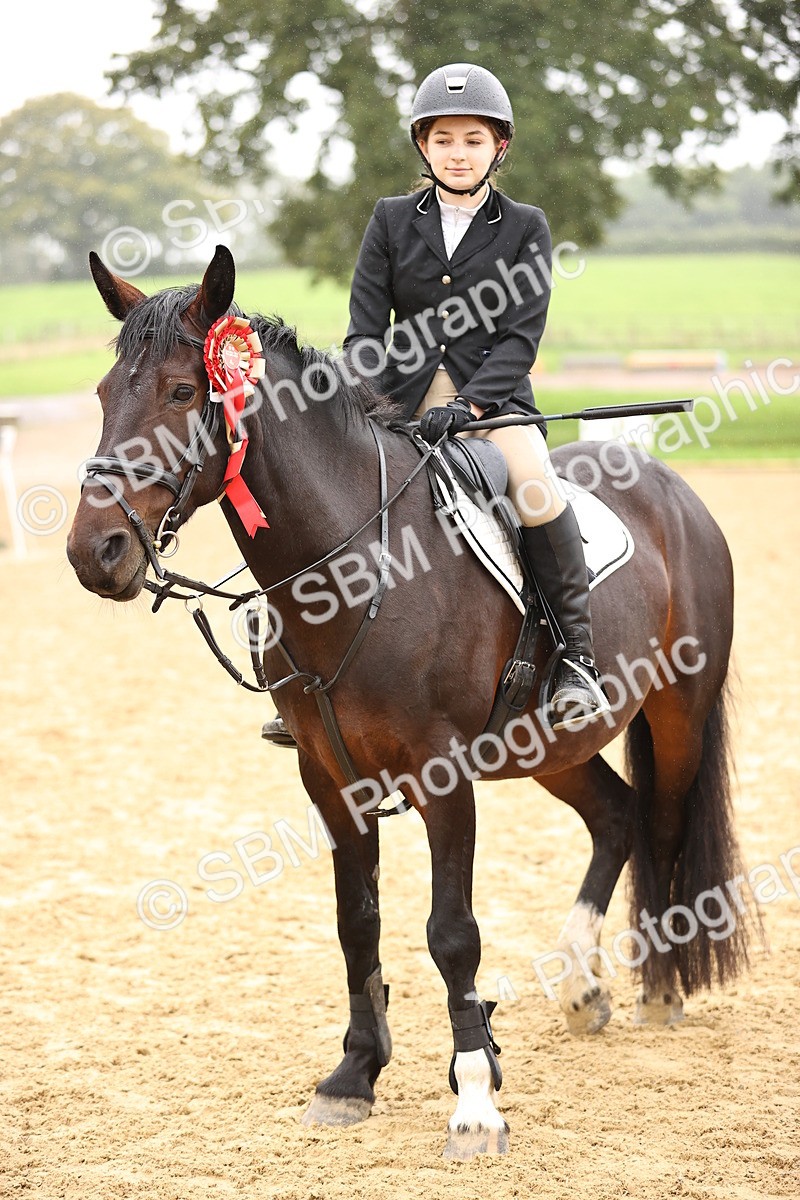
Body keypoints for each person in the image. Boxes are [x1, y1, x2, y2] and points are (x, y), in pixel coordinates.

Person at [262, 62, 607, 748]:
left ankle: (575, 659)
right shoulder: (391, 220)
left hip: (496, 404)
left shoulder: (526, 227)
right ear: (424, 144)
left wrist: (473, 406)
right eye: (444, 138)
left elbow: (519, 337)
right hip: (397, 402)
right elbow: (364, 328)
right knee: (324, 495)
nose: (458, 151)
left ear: (497, 147)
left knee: (537, 490)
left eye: (472, 139)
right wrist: (364, 397)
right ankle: (300, 668)